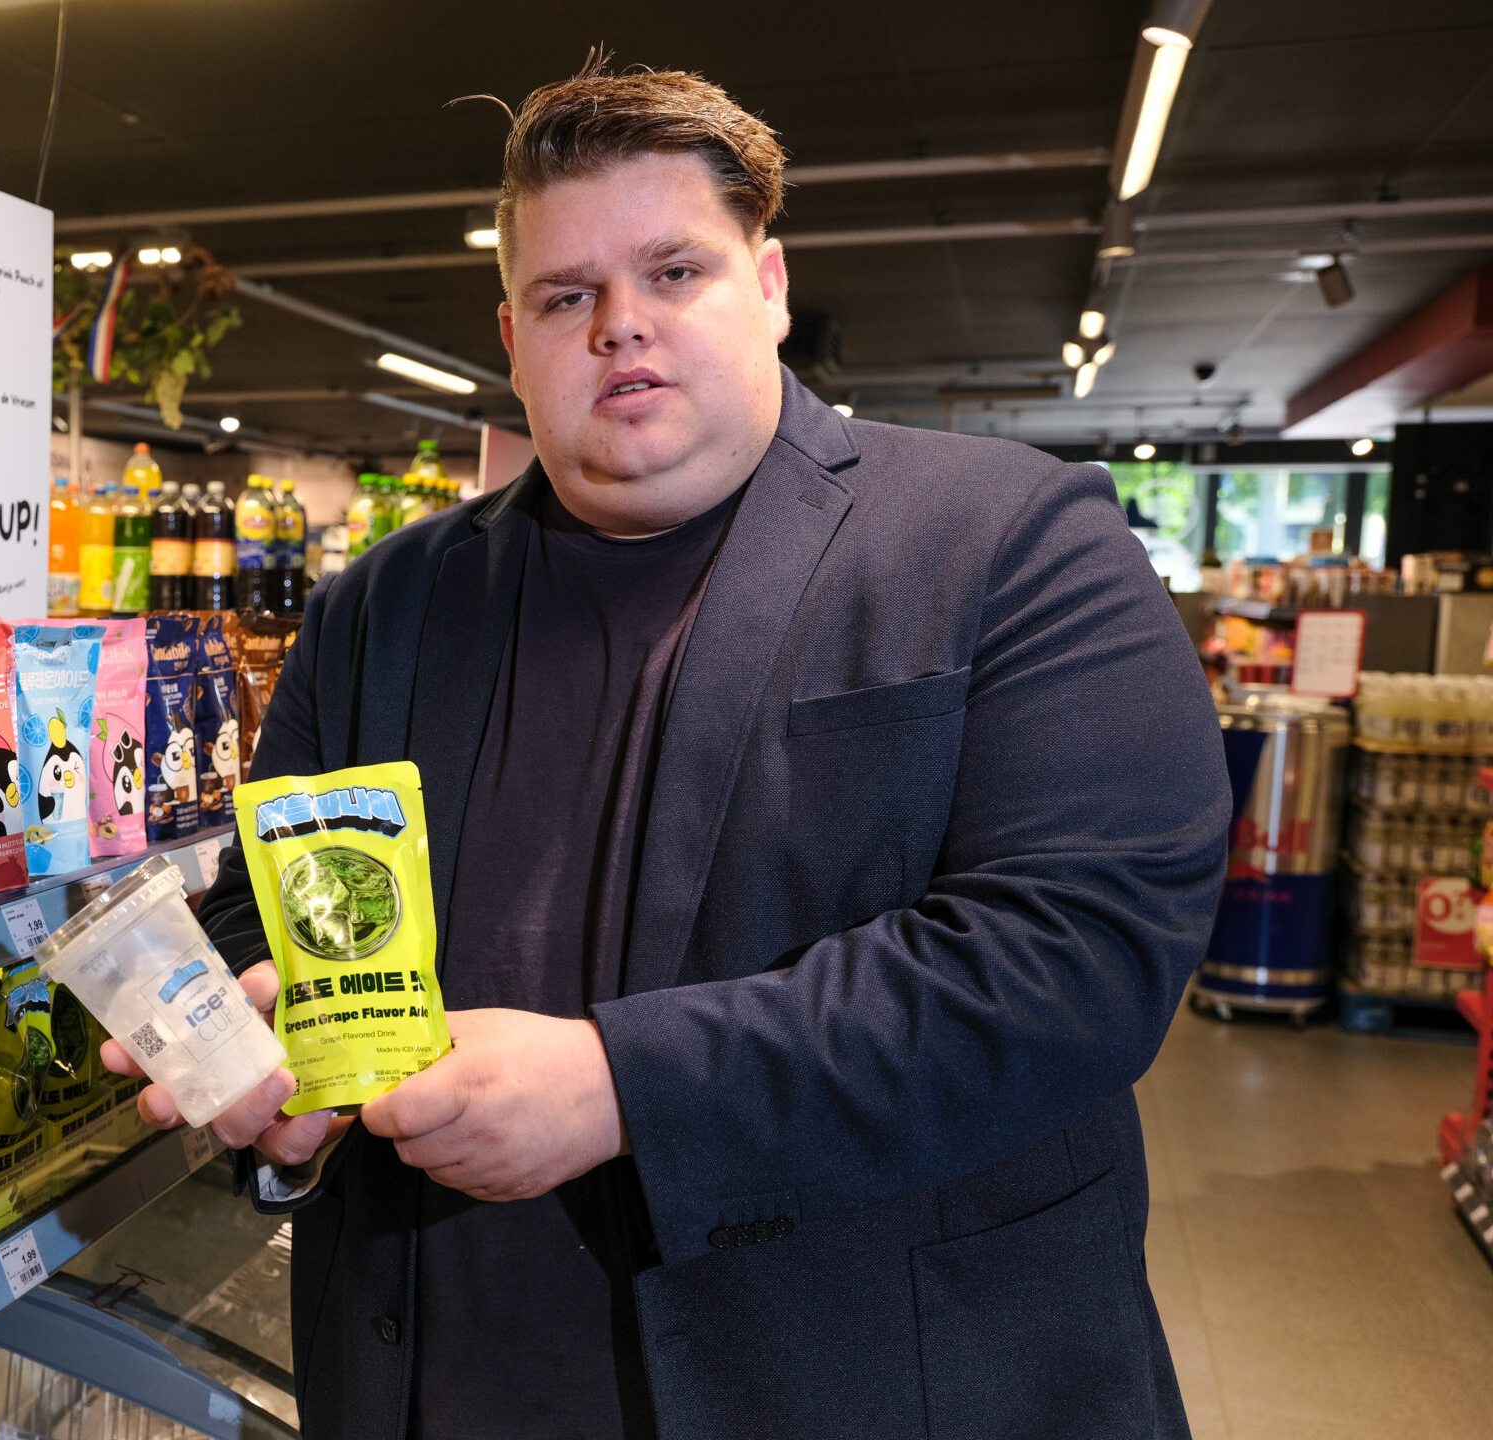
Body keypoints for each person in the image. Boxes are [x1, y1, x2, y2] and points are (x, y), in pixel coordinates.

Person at [100, 53, 1227, 1440]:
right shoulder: (384, 605)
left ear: (769, 285)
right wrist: (251, 1048)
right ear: (509, 336)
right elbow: (262, 906)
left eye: (674, 273)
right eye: (566, 297)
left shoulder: (1011, 542)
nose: (619, 327)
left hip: (872, 1383)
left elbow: (1076, 960)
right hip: (438, 1384)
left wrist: (618, 1085)